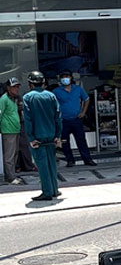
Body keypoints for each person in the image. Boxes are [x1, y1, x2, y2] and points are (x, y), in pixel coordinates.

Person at [23, 71, 63, 201]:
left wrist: (30, 137)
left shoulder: (28, 98)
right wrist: (58, 135)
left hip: (37, 136)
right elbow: (58, 117)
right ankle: (54, 189)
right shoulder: (51, 96)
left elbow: (28, 120)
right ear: (43, 82)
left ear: (30, 84)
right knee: (51, 163)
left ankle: (47, 192)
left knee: (42, 165)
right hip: (51, 135)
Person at [52, 70, 96, 167]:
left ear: (71, 78)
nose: (65, 79)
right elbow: (52, 104)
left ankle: (87, 159)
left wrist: (83, 112)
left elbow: (87, 99)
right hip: (63, 120)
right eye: (63, 77)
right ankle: (70, 160)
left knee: (81, 140)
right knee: (65, 141)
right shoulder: (56, 91)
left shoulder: (78, 89)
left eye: (67, 77)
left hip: (76, 119)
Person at [0, 78, 25, 185]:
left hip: (15, 129)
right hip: (8, 130)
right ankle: (10, 177)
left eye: (17, 87)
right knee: (9, 155)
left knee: (14, 154)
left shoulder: (14, 99)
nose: (16, 89)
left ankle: (12, 175)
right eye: (14, 87)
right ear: (8, 88)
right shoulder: (4, 99)